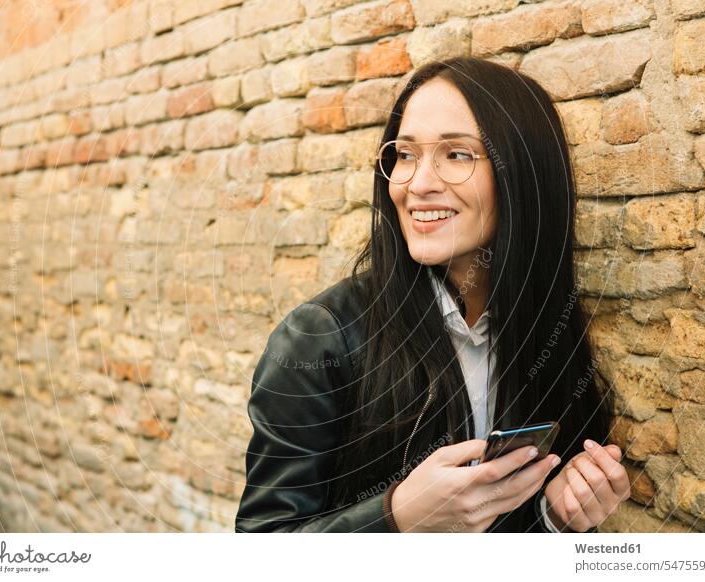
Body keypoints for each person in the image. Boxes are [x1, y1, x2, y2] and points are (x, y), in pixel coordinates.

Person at [235, 57, 630, 533]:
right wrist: (396, 518)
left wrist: (553, 515)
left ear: (521, 175)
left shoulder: (547, 324)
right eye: (404, 155)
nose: (418, 184)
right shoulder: (320, 337)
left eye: (457, 155)